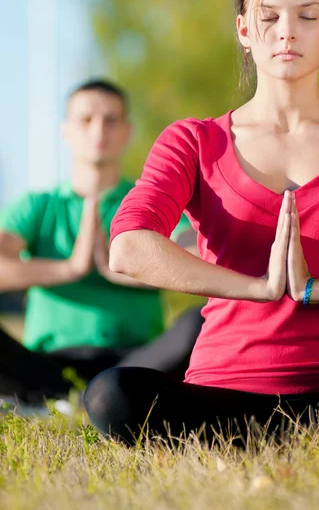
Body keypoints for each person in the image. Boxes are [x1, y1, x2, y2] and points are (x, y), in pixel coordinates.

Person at [84, 0, 319, 446]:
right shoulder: (194, 140)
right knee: (110, 394)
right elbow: (129, 247)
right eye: (269, 16)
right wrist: (258, 289)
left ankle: (308, 430)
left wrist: (314, 290)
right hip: (224, 392)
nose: (287, 32)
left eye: (308, 15)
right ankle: (311, 436)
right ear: (244, 30)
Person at [0, 79, 203, 404]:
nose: (99, 131)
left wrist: (124, 269)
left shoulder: (151, 202)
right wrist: (70, 268)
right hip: (45, 365)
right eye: (86, 120)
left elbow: (200, 256)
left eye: (111, 120)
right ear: (66, 131)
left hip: (133, 362)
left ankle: (99, 397)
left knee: (200, 321)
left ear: (127, 132)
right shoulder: (37, 206)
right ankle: (49, 399)